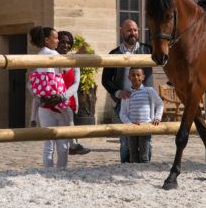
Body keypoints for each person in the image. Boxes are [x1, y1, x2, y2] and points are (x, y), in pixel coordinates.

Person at [101, 19, 153, 162]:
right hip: (124, 105)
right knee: (125, 144)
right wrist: (118, 93)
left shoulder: (148, 50)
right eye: (129, 30)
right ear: (121, 32)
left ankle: (145, 169)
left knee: (146, 143)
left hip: (144, 107)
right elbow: (106, 80)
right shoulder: (113, 54)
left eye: (135, 30)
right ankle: (124, 167)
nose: (133, 33)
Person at [28, 26, 70, 168]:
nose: (58, 41)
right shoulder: (52, 53)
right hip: (55, 94)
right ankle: (73, 143)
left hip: (44, 98)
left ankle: (48, 171)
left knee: (48, 145)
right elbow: (61, 71)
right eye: (56, 38)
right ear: (46, 40)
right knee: (63, 144)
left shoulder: (40, 53)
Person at [56, 30, 91, 155]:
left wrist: (64, 96)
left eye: (69, 43)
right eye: (63, 42)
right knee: (52, 142)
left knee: (64, 140)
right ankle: (74, 145)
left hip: (67, 100)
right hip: (53, 102)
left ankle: (72, 148)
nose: (66, 46)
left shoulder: (74, 61)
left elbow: (76, 83)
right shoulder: (50, 58)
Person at [119, 68, 163, 163]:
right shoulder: (127, 94)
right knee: (133, 153)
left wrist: (157, 118)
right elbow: (122, 113)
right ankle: (132, 173)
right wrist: (129, 123)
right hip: (132, 129)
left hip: (145, 127)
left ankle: (144, 170)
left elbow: (160, 103)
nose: (136, 77)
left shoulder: (149, 91)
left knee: (144, 154)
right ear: (129, 77)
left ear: (143, 77)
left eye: (138, 75)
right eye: (133, 75)